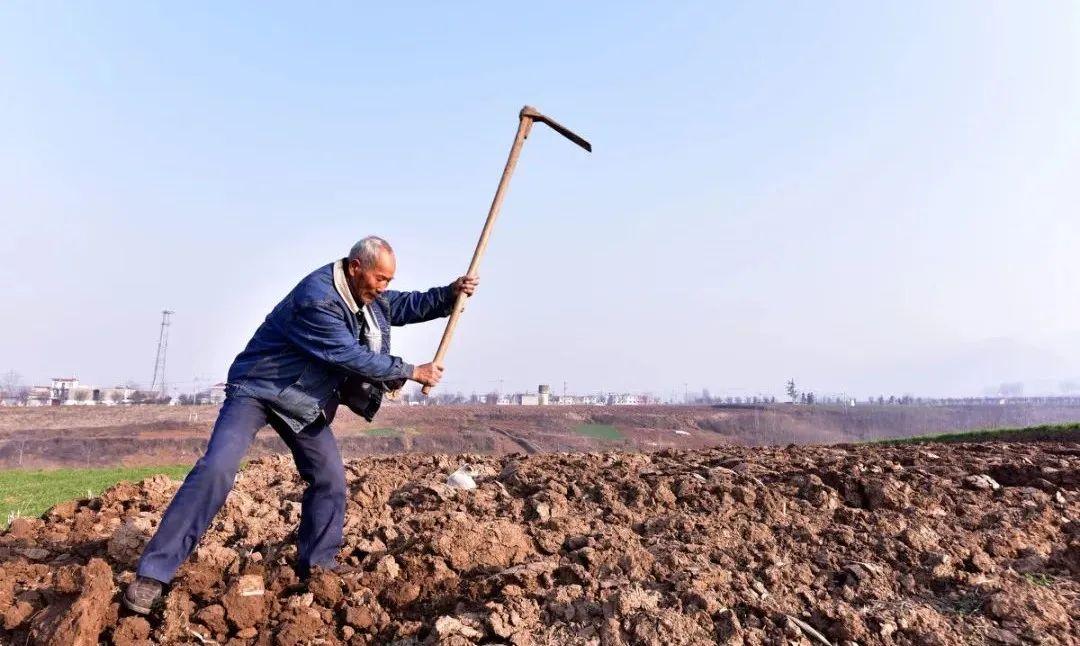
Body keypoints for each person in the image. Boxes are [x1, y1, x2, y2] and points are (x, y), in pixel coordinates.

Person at [123, 236, 477, 614]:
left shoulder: (366, 295)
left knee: (330, 480)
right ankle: (153, 574)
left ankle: (318, 569)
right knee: (218, 468)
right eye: (380, 279)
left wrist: (448, 294)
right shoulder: (318, 299)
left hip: (304, 400)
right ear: (355, 267)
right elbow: (347, 354)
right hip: (258, 388)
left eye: (389, 280)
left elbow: (401, 305)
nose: (384, 287)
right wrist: (410, 371)